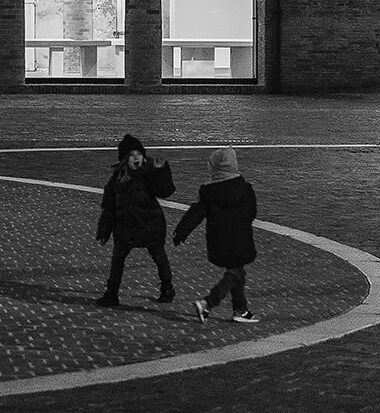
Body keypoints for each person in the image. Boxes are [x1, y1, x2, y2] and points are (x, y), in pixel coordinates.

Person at [174, 145, 261, 323]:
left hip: (219, 240)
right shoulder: (245, 189)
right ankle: (207, 303)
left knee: (237, 272)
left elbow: (195, 214)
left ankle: (241, 310)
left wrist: (181, 232)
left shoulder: (207, 192)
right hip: (240, 239)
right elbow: (252, 212)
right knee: (235, 273)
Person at [94, 132, 176, 306]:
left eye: (139, 154)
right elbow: (108, 207)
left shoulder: (149, 173)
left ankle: (167, 288)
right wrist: (104, 231)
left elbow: (165, 191)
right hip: (125, 227)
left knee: (159, 257)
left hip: (150, 224)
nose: (136, 158)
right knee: (117, 259)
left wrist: (162, 170)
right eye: (132, 155)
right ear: (125, 158)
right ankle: (112, 294)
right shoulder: (116, 179)